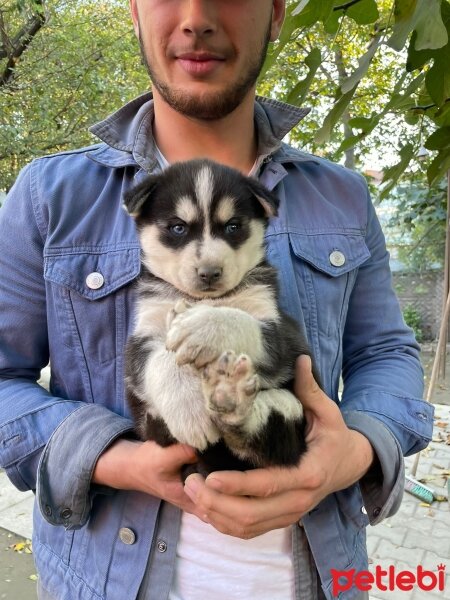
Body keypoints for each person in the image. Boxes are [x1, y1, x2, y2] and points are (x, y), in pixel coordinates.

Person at [0, 1, 434, 599]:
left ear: (276, 12)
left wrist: (353, 452)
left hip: (323, 575)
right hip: (105, 578)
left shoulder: (343, 195)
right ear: (134, 12)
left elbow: (387, 351)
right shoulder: (50, 197)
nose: (196, 16)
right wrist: (114, 458)